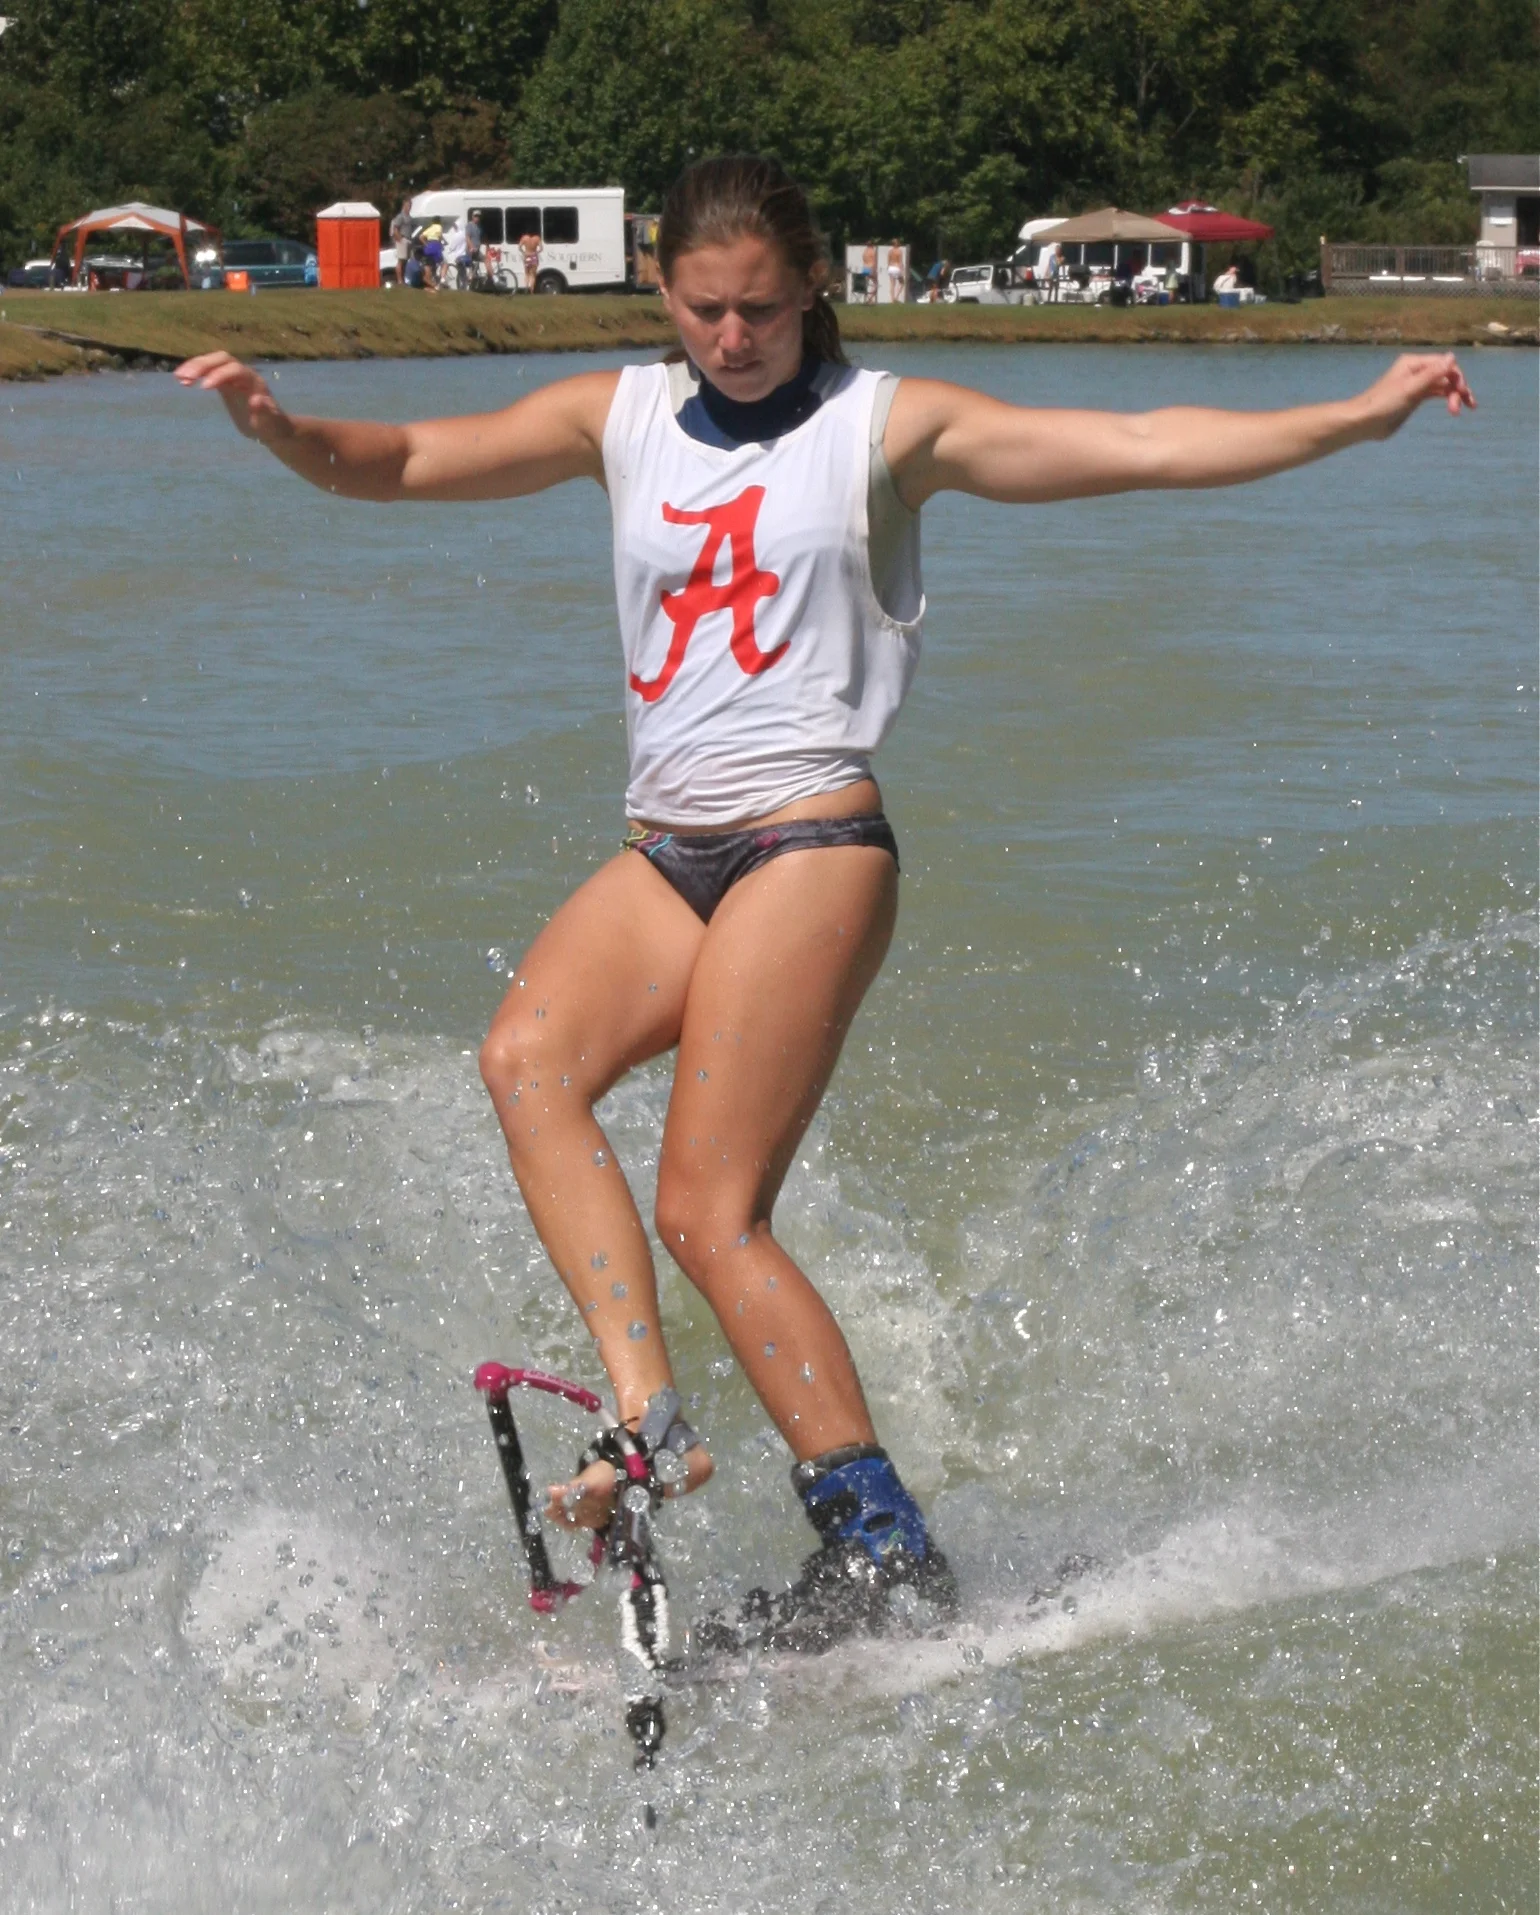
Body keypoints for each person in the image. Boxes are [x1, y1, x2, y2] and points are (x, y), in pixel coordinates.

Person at [174, 153, 1474, 1655]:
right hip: (670, 849)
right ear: (662, 293)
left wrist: (1353, 413)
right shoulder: (620, 414)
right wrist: (276, 428)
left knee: (708, 1208)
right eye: (708, 310)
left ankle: (881, 1543)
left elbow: (1140, 442)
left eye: (766, 313)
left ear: (814, 297)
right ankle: (651, 1414)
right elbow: (393, 460)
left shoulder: (884, 427)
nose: (734, 339)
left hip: (811, 842)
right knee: (524, 1059)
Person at [390, 196, 413, 285]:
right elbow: (395, 229)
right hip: (402, 239)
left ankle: (404, 279)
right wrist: (400, 239)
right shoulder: (400, 216)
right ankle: (399, 280)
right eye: (408, 205)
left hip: (408, 240)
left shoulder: (409, 217)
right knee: (401, 260)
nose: (409, 207)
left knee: (406, 261)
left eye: (410, 205)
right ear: (404, 205)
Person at [519, 227, 542, 293]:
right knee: (533, 275)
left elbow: (519, 247)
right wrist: (536, 252)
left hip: (527, 256)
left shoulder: (524, 238)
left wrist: (523, 252)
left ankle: (526, 287)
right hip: (534, 256)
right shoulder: (537, 238)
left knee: (527, 274)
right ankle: (531, 290)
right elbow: (541, 248)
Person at [862, 239, 878, 304]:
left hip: (865, 268)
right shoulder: (873, 251)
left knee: (866, 285)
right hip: (871, 267)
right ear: (872, 245)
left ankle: (867, 299)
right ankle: (870, 299)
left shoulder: (865, 251)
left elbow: (863, 259)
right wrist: (874, 270)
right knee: (876, 284)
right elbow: (874, 261)